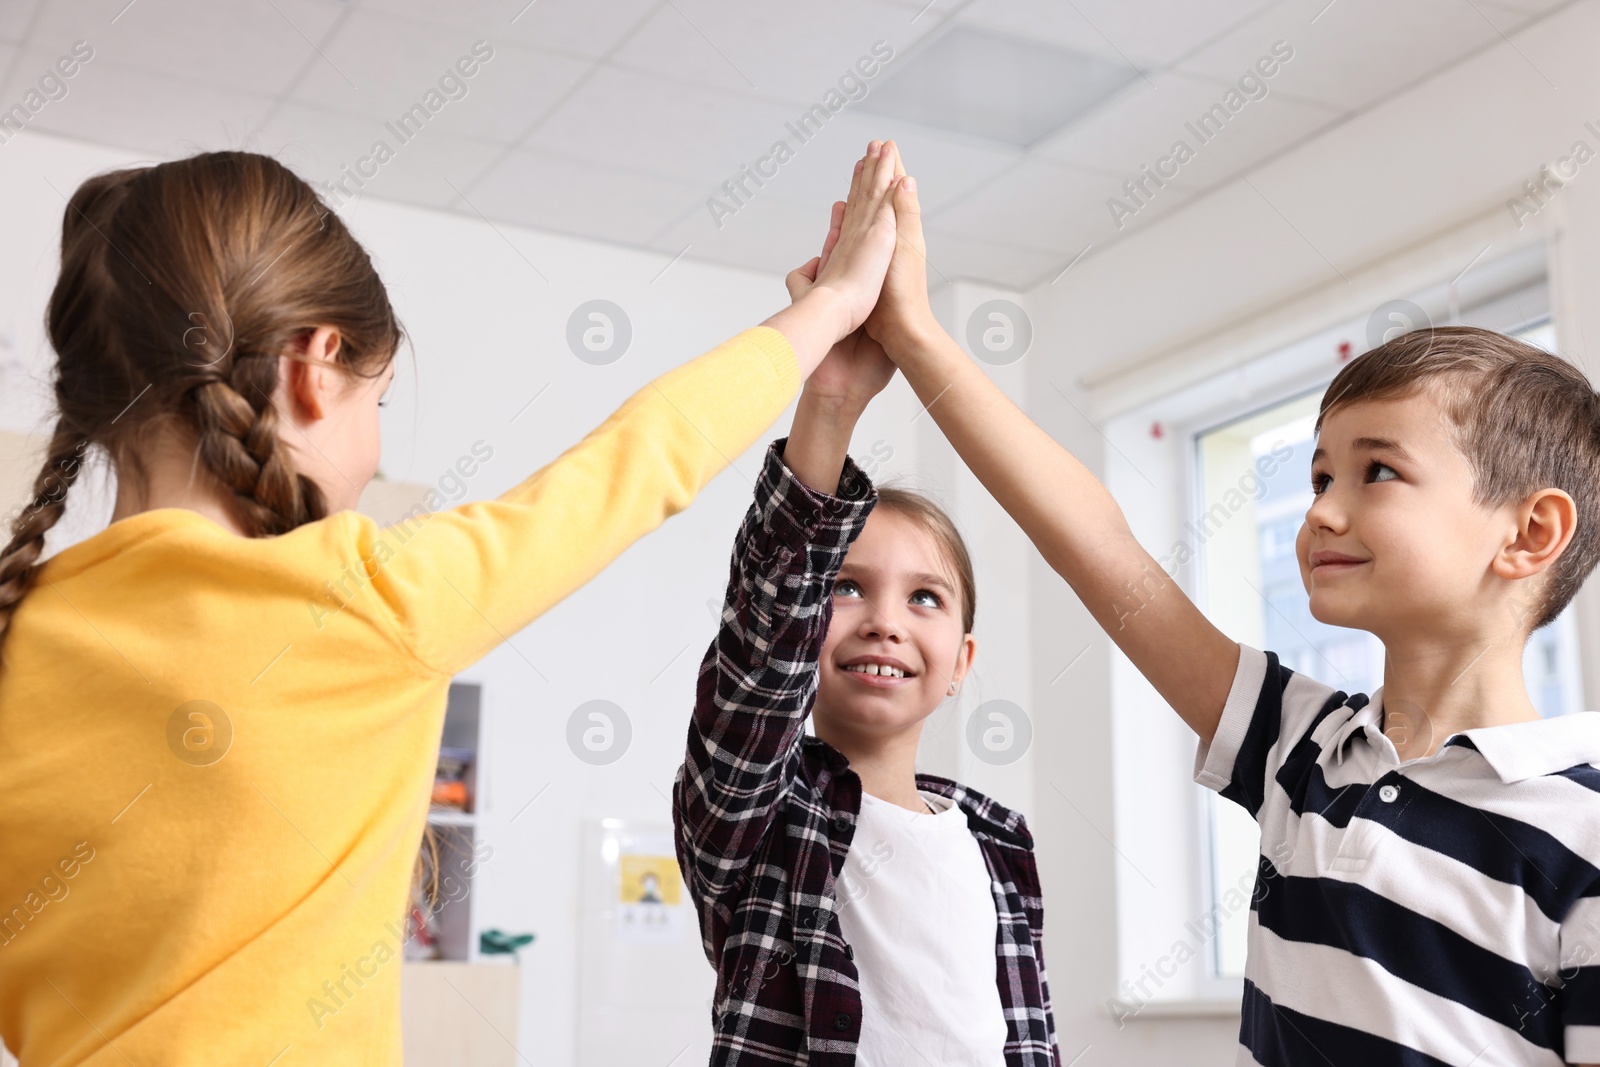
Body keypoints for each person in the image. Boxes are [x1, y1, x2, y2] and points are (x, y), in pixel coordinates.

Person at [0, 143, 899, 1064]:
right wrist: (826, 310)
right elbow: (637, 463)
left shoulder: (18, 636)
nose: (376, 446)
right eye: (379, 399)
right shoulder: (368, 602)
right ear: (316, 365)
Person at [861, 153, 1600, 1065]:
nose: (1323, 508)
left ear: (1530, 533)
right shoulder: (1304, 750)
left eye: (1378, 471)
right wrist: (917, 337)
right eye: (1320, 474)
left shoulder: (1585, 828)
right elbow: (1099, 549)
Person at [673, 141, 1059, 1066]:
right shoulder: (761, 817)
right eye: (847, 586)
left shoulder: (1000, 840)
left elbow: (1031, 1040)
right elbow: (758, 653)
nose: (885, 618)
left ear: (963, 661)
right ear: (811, 618)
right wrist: (831, 403)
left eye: (925, 597)